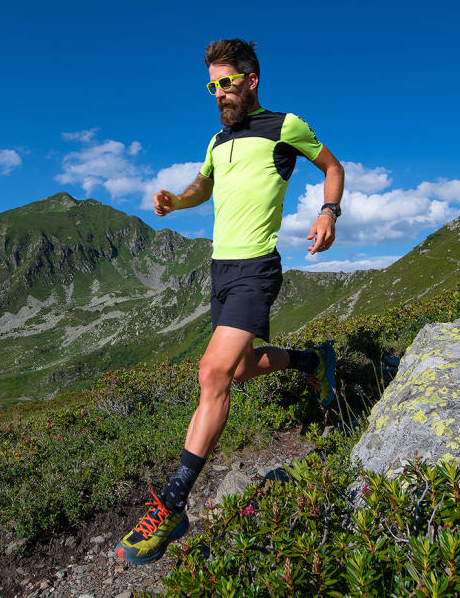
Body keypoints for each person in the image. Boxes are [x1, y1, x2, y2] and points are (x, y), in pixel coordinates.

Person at [116, 38, 346, 565]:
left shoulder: (285, 126)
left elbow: (332, 166)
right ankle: (315, 360)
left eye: (226, 82)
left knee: (211, 373)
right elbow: (204, 185)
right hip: (220, 269)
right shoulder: (217, 141)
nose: (218, 92)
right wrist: (177, 199)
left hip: (257, 267)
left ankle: (172, 504)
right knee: (237, 370)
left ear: (251, 80)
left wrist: (328, 211)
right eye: (211, 85)